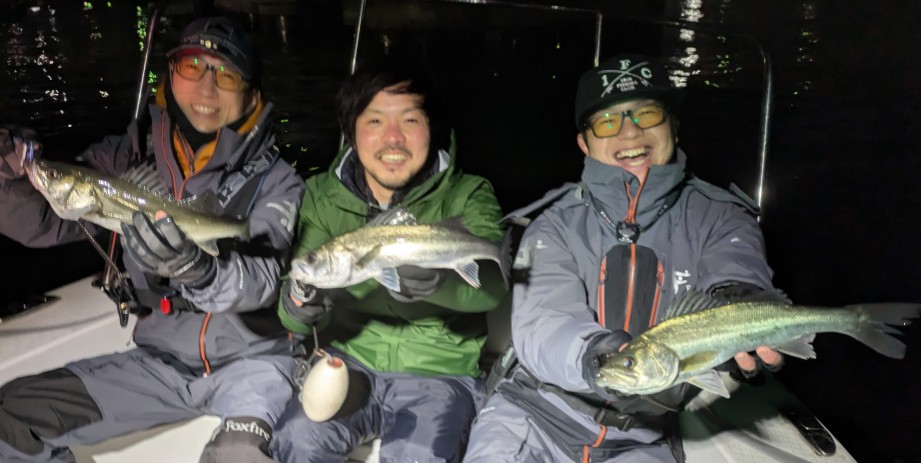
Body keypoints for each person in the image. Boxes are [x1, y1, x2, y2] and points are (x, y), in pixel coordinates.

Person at [0, 16, 304, 463]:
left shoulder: (280, 182)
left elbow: (262, 277)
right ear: (169, 76)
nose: (206, 89)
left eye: (226, 74)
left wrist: (196, 270)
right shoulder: (127, 154)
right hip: (158, 362)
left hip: (254, 364)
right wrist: (10, 175)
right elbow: (42, 221)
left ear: (252, 96)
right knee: (10, 418)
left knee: (241, 456)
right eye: (192, 67)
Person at [463, 54, 784, 463]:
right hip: (535, 415)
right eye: (607, 121)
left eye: (647, 114)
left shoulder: (722, 217)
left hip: (646, 436)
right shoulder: (555, 223)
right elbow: (543, 323)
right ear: (584, 142)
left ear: (673, 124)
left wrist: (741, 304)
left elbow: (737, 268)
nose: (630, 132)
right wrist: (601, 358)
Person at [269, 59, 508, 463]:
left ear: (432, 128)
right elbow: (293, 317)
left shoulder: (468, 193)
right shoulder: (321, 195)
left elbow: (491, 290)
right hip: (347, 364)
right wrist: (300, 303)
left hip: (441, 373)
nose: (393, 138)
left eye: (410, 120)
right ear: (351, 131)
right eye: (375, 121)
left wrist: (439, 284)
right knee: (296, 441)